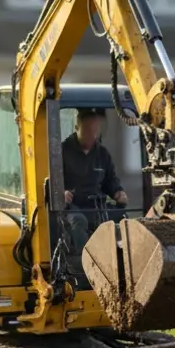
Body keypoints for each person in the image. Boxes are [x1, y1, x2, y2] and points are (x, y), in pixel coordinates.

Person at [60, 107, 128, 269]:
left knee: (124, 218)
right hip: (72, 206)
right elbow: (51, 179)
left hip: (96, 205)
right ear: (76, 128)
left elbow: (110, 180)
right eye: (88, 130)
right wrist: (60, 193)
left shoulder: (102, 154)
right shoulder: (62, 151)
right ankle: (88, 266)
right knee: (78, 221)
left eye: (95, 130)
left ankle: (120, 264)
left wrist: (118, 192)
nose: (92, 135)